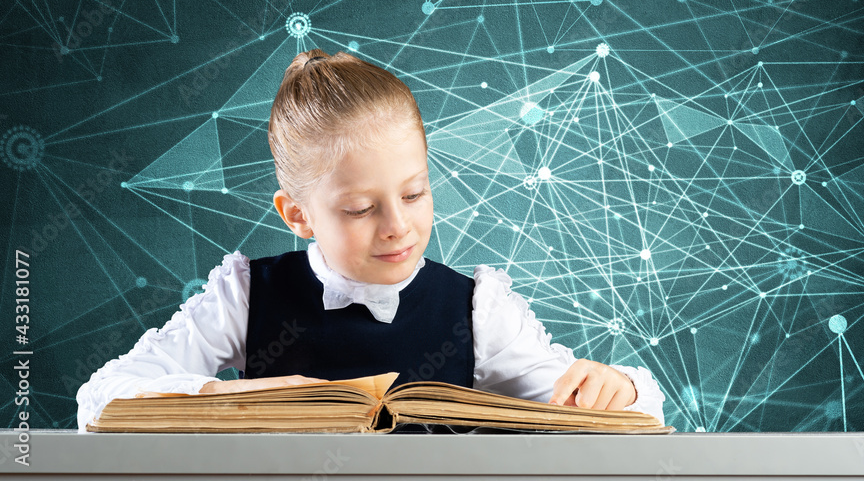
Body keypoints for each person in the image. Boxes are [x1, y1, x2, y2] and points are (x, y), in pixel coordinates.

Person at [76, 49, 666, 431]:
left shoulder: (479, 310)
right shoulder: (248, 296)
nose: (396, 226)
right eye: (360, 208)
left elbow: (618, 414)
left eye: (414, 194)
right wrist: (228, 399)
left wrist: (620, 387)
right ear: (298, 214)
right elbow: (101, 399)